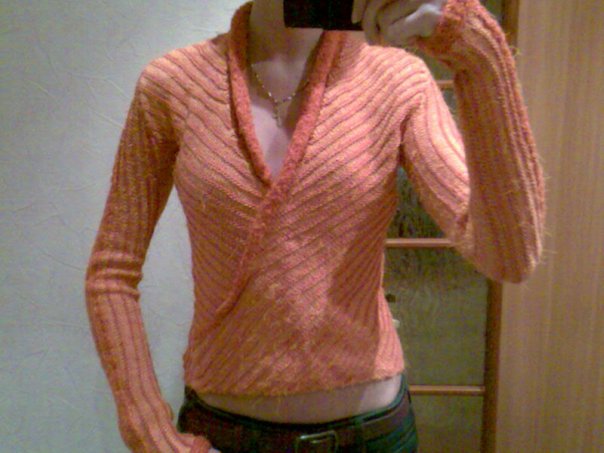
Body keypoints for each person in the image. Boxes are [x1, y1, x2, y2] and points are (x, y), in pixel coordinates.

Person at [84, 0, 546, 451]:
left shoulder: (396, 79)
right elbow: (111, 273)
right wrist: (147, 428)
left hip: (373, 436)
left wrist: (480, 55)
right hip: (224, 433)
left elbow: (509, 256)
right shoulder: (173, 85)